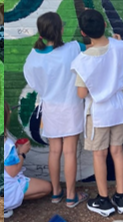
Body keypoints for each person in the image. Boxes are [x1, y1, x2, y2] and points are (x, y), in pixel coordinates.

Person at [70, 9, 123, 217]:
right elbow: (116, 48)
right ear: (105, 25)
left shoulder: (83, 59)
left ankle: (104, 200)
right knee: (117, 152)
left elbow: (81, 93)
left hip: (98, 113)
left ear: (83, 32)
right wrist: (116, 40)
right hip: (118, 109)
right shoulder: (120, 46)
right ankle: (121, 197)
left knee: (100, 154)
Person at [23, 12, 89, 208]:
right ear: (61, 30)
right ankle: (71, 196)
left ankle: (55, 193)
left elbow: (33, 82)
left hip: (50, 108)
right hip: (72, 108)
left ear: (41, 32)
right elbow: (95, 47)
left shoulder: (33, 57)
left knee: (54, 151)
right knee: (69, 152)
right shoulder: (74, 48)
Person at [4, 101, 52, 219]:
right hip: (4, 189)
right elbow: (12, 172)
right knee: (47, 188)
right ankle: (5, 205)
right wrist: (22, 153)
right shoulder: (6, 144)